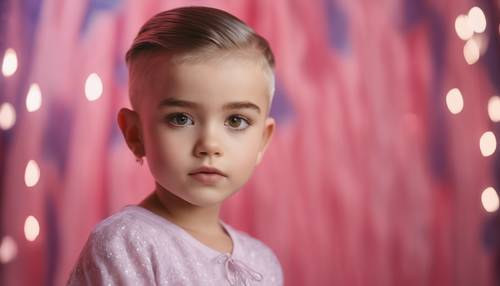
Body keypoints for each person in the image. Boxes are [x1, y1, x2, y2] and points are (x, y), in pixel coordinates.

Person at [67, 6, 282, 286]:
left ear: (262, 141)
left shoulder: (263, 263)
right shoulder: (127, 245)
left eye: (236, 120)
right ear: (135, 134)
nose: (209, 145)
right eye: (181, 119)